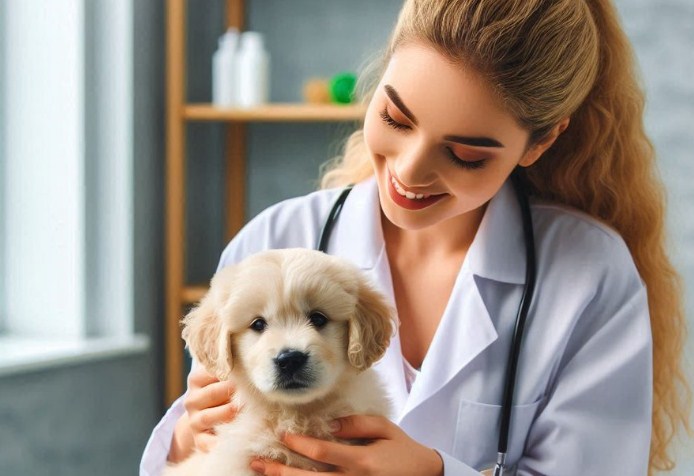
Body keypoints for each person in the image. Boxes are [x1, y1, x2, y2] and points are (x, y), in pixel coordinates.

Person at [142, 0, 690, 474]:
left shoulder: (587, 272)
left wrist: (434, 474)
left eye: (466, 154)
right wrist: (191, 438)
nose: (409, 171)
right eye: (396, 119)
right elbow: (190, 446)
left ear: (538, 144)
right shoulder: (278, 237)